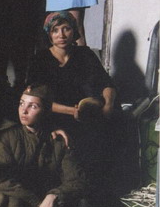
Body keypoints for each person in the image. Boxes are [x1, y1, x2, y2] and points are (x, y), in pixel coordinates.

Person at [26, 11, 116, 178]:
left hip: (86, 113)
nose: (61, 35)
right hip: (54, 116)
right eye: (55, 30)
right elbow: (39, 99)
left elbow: (106, 83)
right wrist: (72, 111)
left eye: (66, 29)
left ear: (74, 31)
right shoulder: (41, 59)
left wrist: (108, 105)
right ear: (49, 35)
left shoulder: (85, 54)